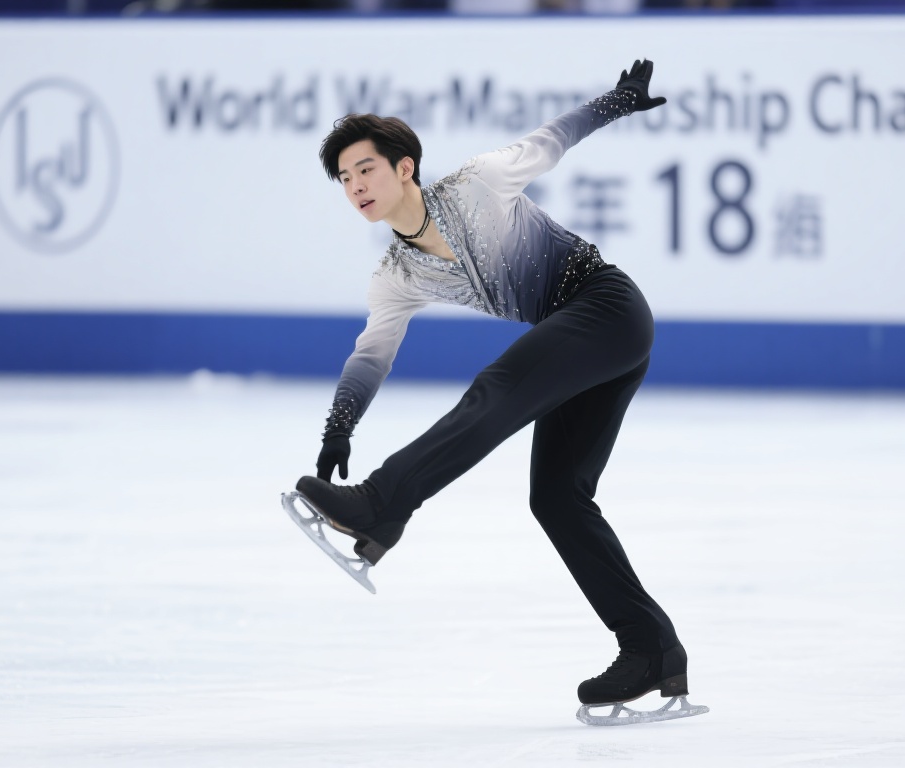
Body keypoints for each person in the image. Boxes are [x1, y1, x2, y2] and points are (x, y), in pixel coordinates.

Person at [295, 60, 692, 712]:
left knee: (498, 387)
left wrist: (617, 101)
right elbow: (372, 354)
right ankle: (652, 649)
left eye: (365, 169)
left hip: (606, 306)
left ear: (404, 168)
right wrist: (339, 426)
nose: (355, 186)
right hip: (582, 341)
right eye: (344, 178)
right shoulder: (396, 274)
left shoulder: (477, 183)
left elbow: (552, 139)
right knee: (557, 498)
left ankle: (381, 503)